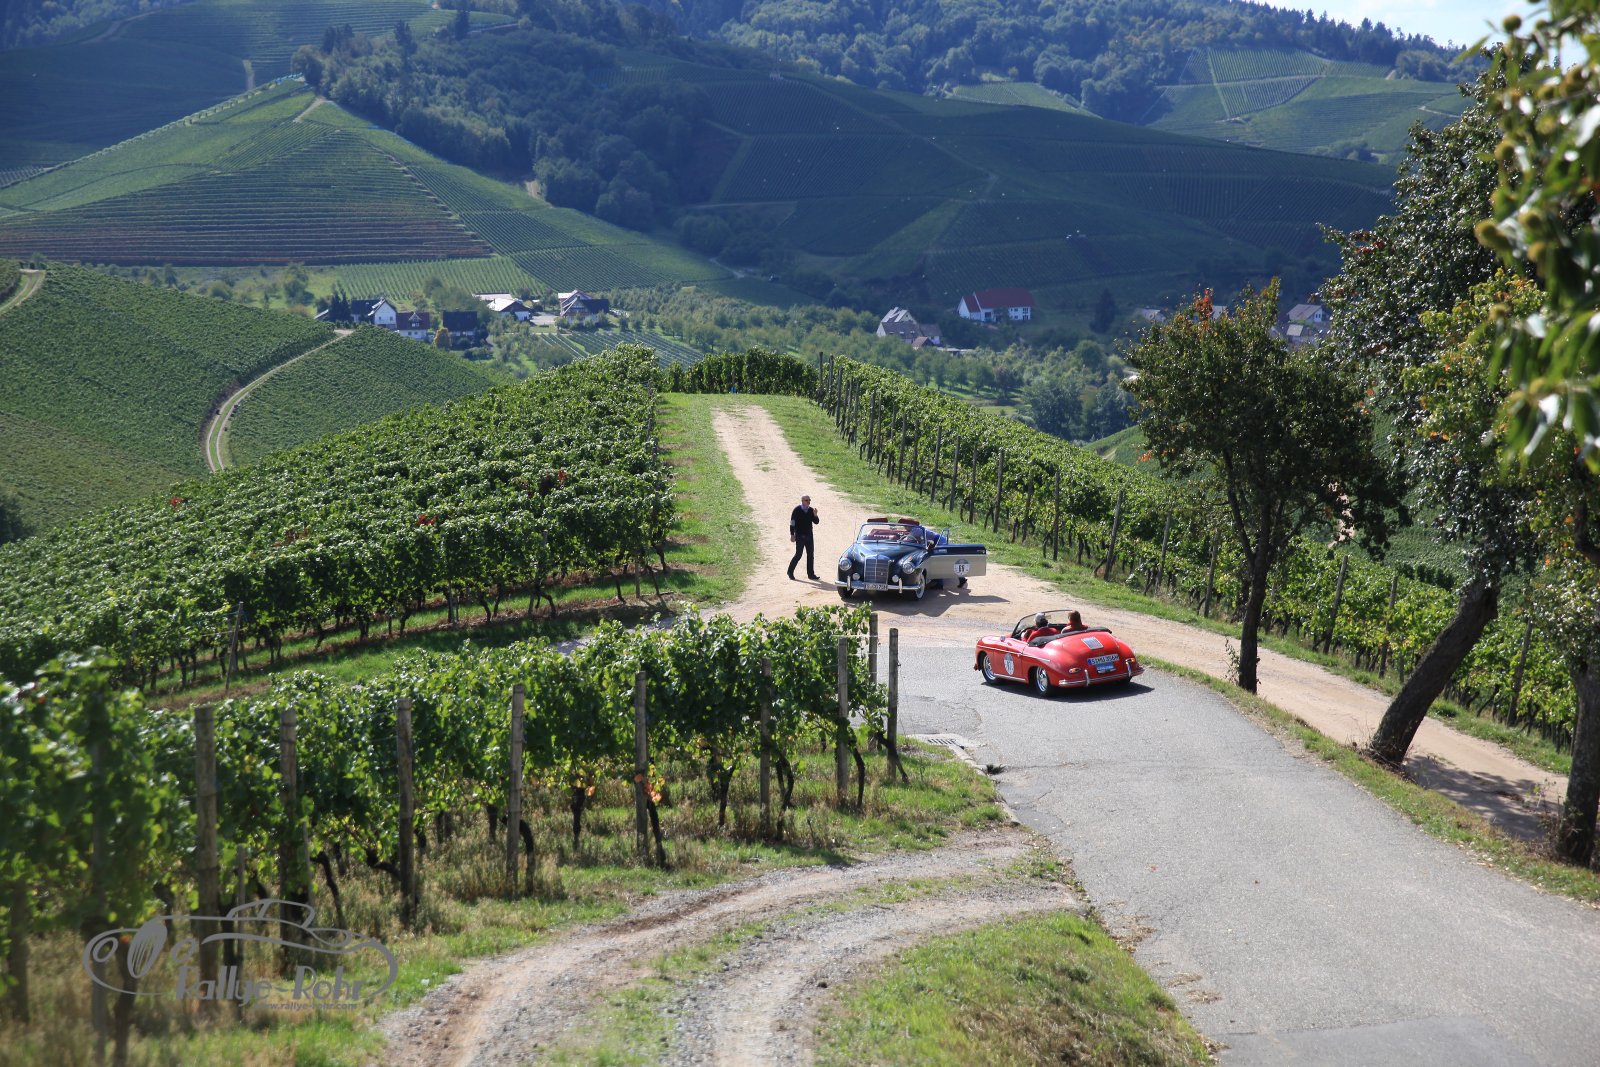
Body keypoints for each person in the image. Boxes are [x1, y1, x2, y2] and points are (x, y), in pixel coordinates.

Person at [788, 494, 820, 580]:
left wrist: (815, 515)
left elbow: (816, 522)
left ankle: (811, 574)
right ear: (802, 501)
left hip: (809, 536)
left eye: (809, 500)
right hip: (800, 536)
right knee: (798, 555)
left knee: (810, 555)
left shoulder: (811, 510)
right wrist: (792, 534)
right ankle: (790, 572)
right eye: (806, 500)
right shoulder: (797, 510)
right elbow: (792, 522)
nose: (808, 502)